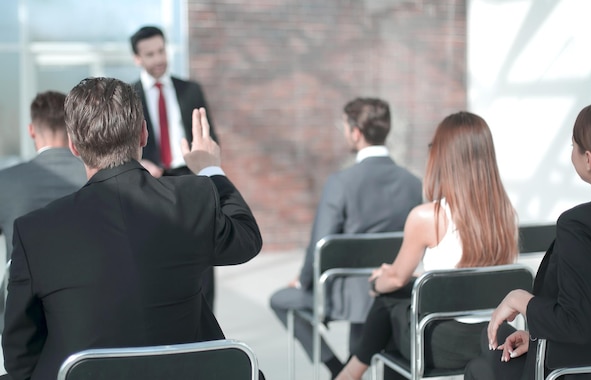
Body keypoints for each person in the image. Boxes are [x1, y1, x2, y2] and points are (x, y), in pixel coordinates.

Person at [1, 77, 263, 380]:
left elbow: (19, 355)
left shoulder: (34, 231)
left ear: (73, 146)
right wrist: (210, 169)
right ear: (143, 133)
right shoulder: (192, 197)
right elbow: (247, 240)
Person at [336, 111, 519, 380]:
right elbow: (470, 277)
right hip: (492, 338)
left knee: (388, 301)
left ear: (444, 156)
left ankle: (352, 371)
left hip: (439, 344)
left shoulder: (428, 216)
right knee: (402, 297)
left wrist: (377, 282)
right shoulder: (505, 215)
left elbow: (395, 278)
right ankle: (352, 371)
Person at [464, 101, 591, 380]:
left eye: (573, 145)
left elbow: (576, 324)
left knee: (483, 358)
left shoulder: (581, 225)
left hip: (580, 370)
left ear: (588, 160)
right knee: (494, 346)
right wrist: (538, 336)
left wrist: (519, 298)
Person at [269, 97, 424, 377]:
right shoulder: (413, 183)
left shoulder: (340, 183)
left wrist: (304, 281)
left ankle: (335, 367)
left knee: (280, 299)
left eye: (344, 127)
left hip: (346, 297)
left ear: (356, 132)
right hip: (394, 291)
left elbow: (321, 246)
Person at [130, 25, 219, 310]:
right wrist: (140, 163)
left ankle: (207, 321)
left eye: (161, 51)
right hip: (150, 179)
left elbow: (210, 137)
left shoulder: (190, 90)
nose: (158, 58)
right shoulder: (128, 95)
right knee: (158, 253)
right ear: (137, 58)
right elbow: (120, 144)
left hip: (189, 175)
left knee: (202, 251)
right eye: (150, 54)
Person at [0, 91, 86, 259]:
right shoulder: (97, 177)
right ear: (74, 130)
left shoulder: (6, 181)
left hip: (24, 284)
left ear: (31, 130)